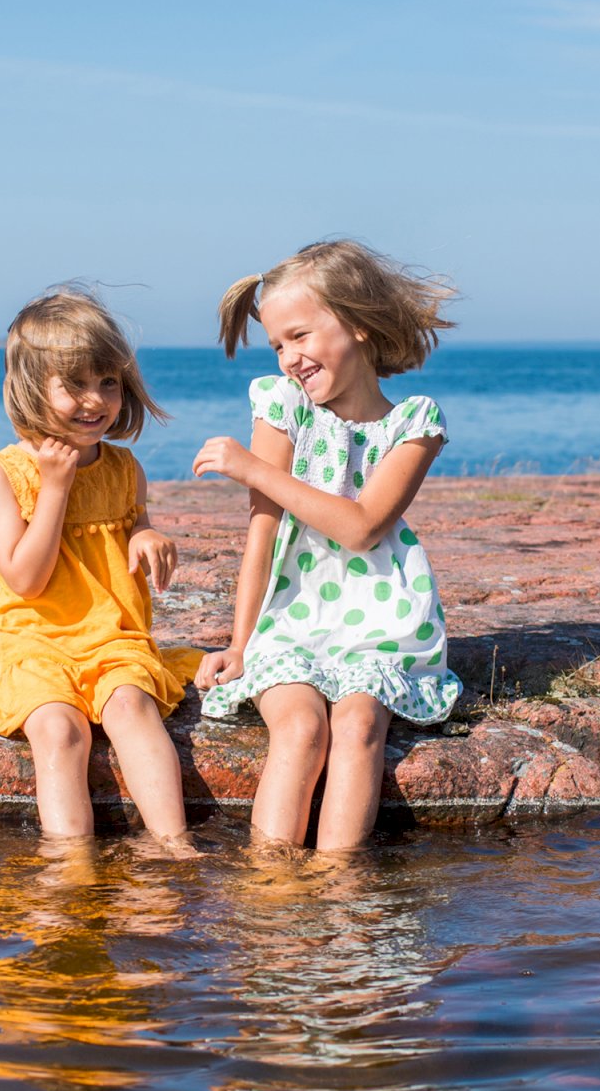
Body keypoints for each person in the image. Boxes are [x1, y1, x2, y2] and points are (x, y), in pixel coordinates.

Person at [193, 240, 462, 850]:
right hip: (291, 618)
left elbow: (363, 526)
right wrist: (240, 645)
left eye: (300, 336)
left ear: (359, 325)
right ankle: (271, 892)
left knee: (361, 722)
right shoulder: (283, 406)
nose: (289, 358)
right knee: (299, 729)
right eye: (278, 345)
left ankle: (343, 896)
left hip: (381, 624)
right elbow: (261, 534)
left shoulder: (414, 424)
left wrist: (255, 470)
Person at [0, 288, 199, 843]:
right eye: (74, 384)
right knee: (59, 730)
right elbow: (25, 579)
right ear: (32, 387)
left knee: (131, 708)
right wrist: (55, 488)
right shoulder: (3, 475)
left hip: (112, 637)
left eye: (108, 382)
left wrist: (146, 533)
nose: (94, 399)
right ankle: (70, 862)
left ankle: (173, 846)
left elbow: (136, 517)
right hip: (36, 642)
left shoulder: (124, 467)